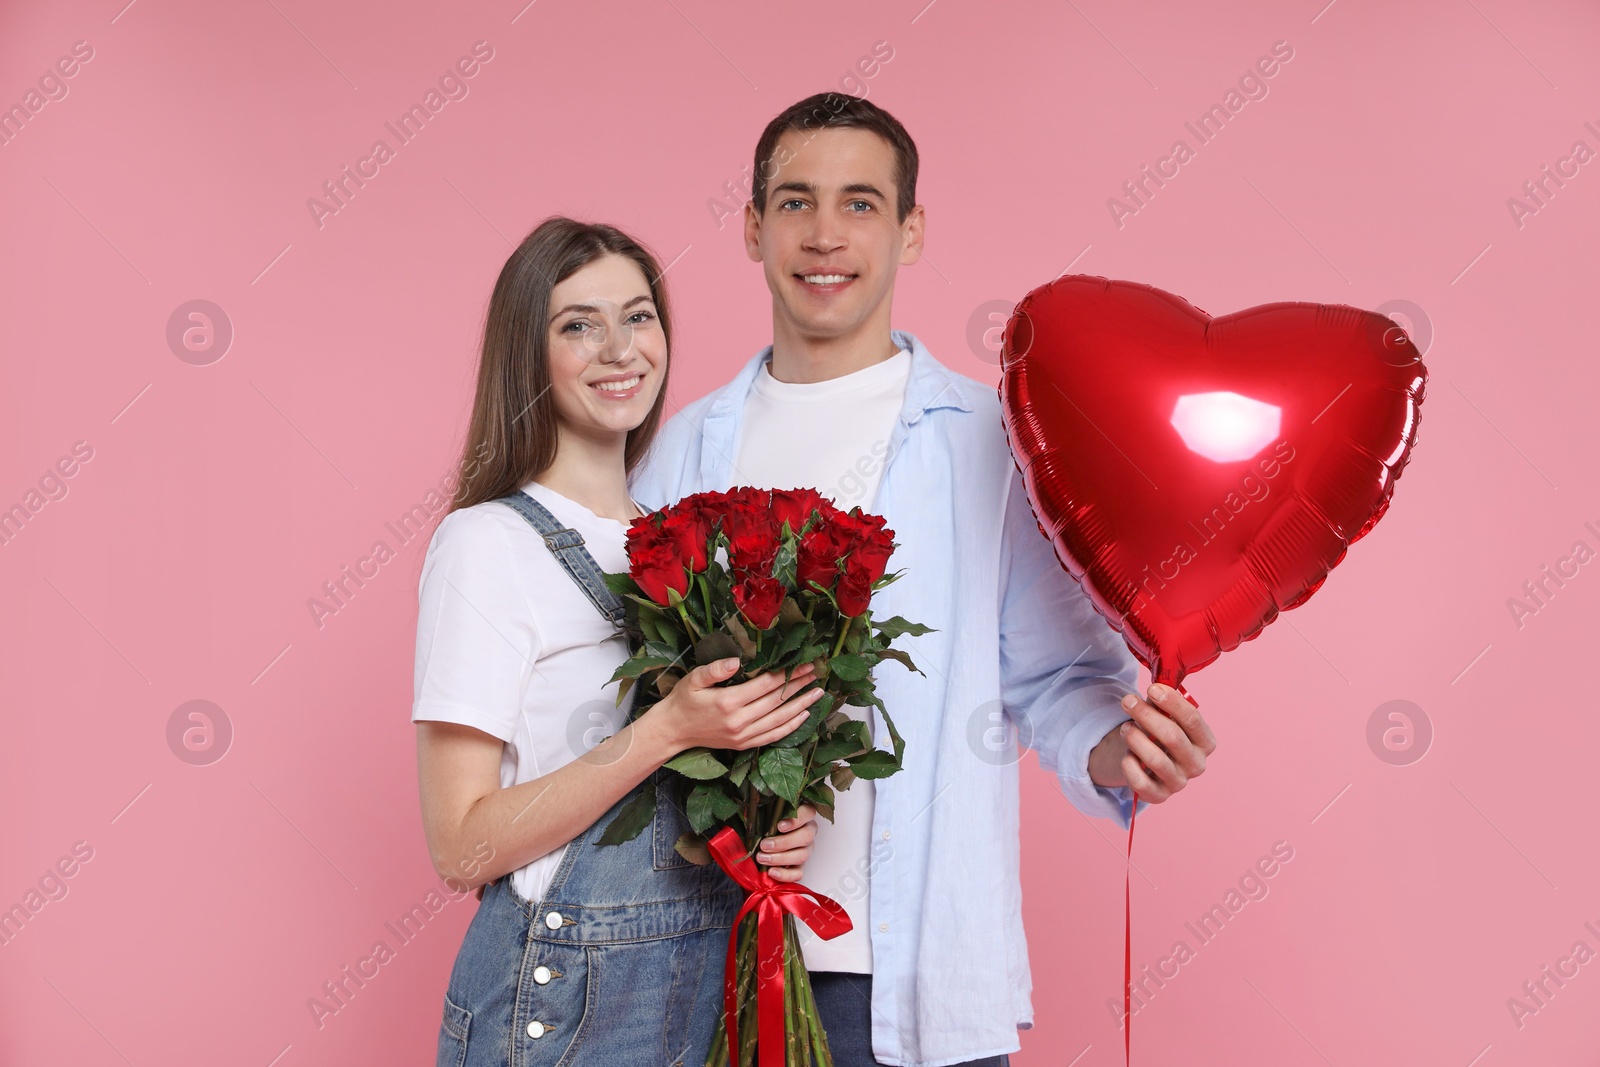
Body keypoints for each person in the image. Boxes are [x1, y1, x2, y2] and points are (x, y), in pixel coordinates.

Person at [629, 94, 1219, 1067]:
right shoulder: (677, 454)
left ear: (910, 231)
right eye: (794, 202)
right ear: (750, 226)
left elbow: (1054, 681)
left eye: (860, 204)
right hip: (709, 964)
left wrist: (1123, 746)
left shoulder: (990, 444)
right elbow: (637, 706)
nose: (825, 235)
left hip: (908, 985)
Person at [411, 217, 828, 1067]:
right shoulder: (486, 543)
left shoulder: (691, 544)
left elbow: (694, 791)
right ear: (529, 354)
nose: (619, 348)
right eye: (579, 324)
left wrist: (766, 822)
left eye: (638, 316)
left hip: (699, 987)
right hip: (560, 1003)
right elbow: (461, 844)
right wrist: (667, 728)